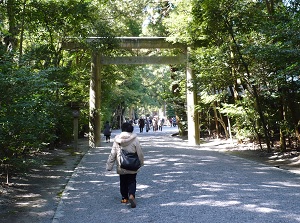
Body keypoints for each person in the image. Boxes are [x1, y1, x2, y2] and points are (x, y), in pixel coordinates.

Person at [106, 122, 144, 208]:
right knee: (132, 180)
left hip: (121, 164)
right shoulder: (135, 140)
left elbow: (113, 153)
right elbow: (140, 153)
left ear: (122, 129)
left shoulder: (117, 140)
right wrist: (141, 162)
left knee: (123, 181)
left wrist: (109, 165)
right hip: (133, 164)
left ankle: (124, 198)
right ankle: (131, 195)